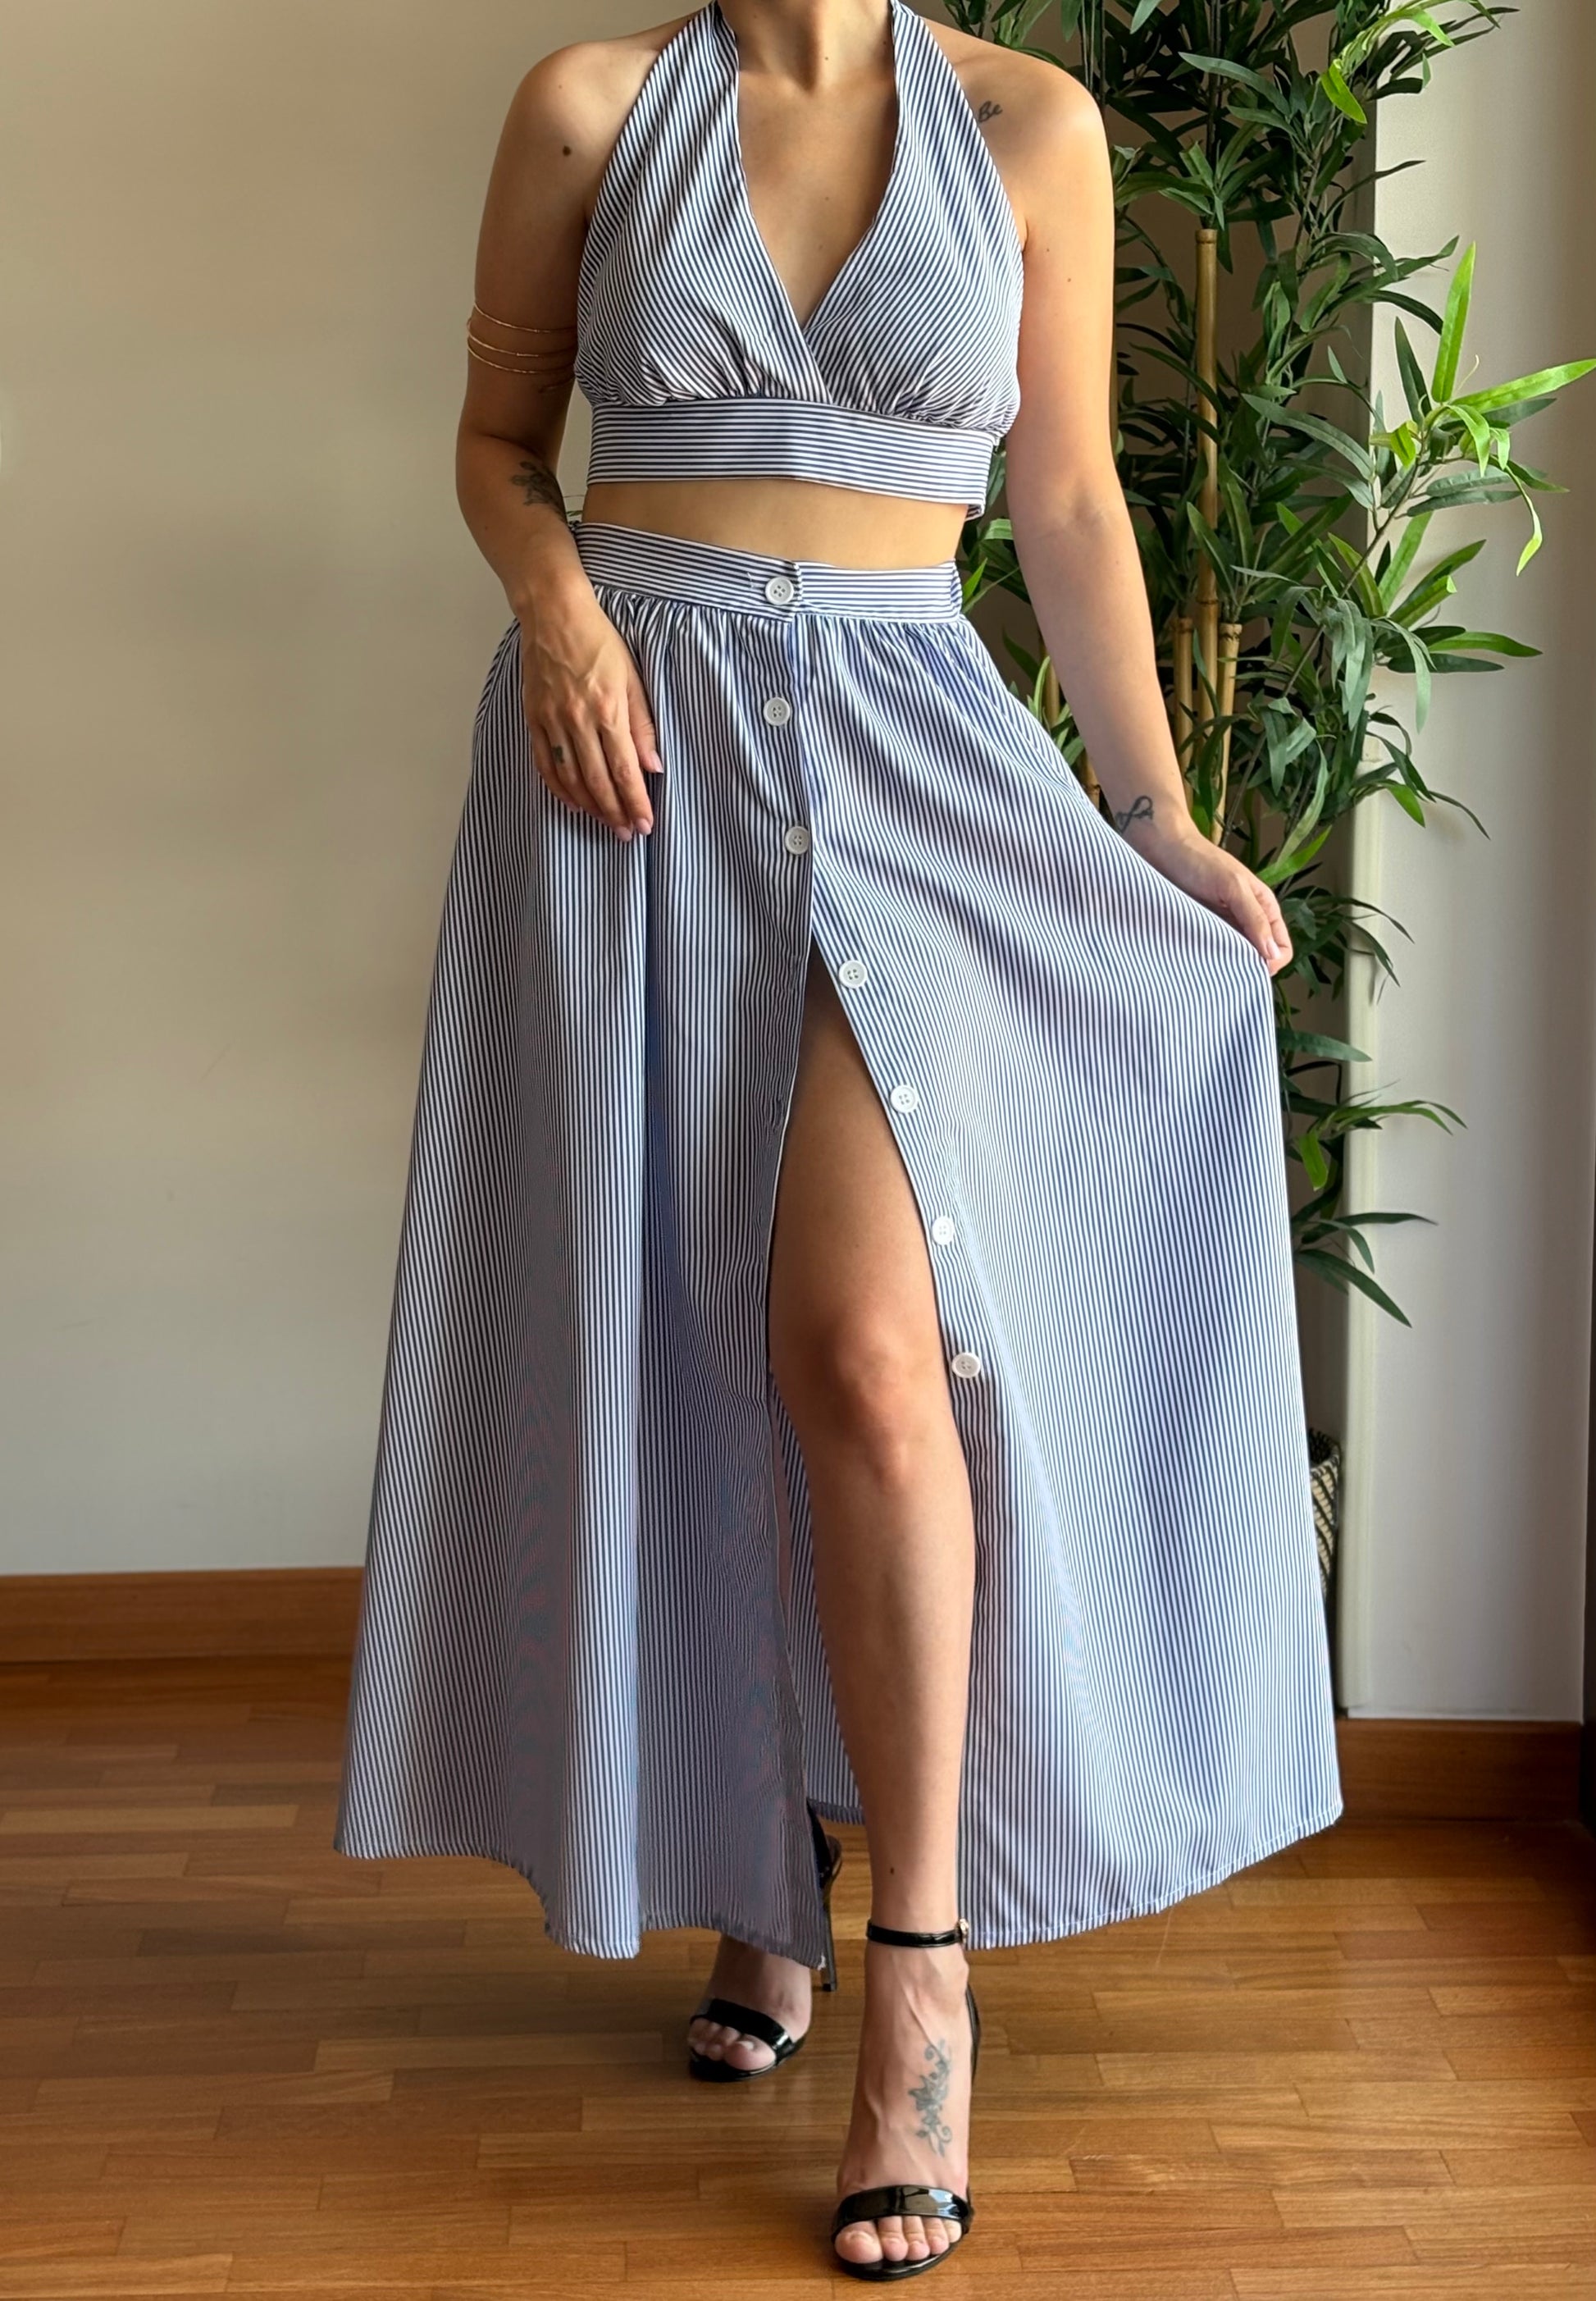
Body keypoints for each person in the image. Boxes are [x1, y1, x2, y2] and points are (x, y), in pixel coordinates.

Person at [332, 0, 1344, 2280]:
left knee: (869, 1355)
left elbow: (1065, 501)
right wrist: (560, 611)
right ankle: (761, 1877)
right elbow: (497, 447)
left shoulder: (1029, 123)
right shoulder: (589, 106)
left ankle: (922, 1974)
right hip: (632, 756)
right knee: (691, 1338)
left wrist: (1154, 819)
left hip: (916, 750)